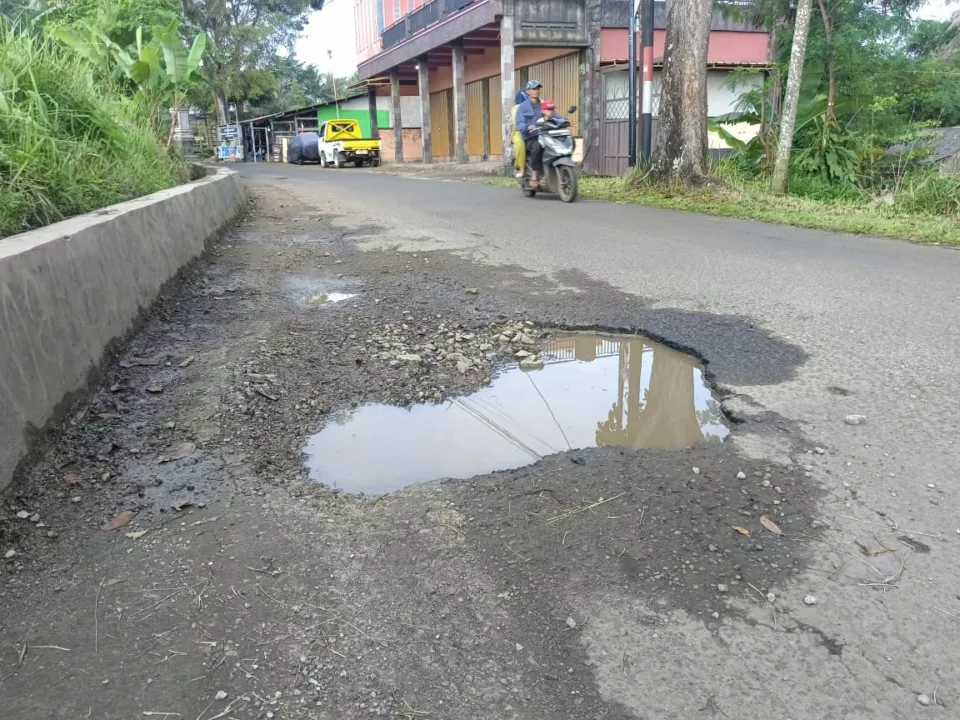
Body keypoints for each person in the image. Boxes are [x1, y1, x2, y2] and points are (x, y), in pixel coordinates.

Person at [512, 80, 541, 178]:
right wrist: (527, 127)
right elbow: (519, 123)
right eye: (533, 89)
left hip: (542, 133)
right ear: (528, 92)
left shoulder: (543, 104)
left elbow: (552, 114)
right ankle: (530, 172)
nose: (536, 91)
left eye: (537, 89)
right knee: (534, 147)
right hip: (529, 135)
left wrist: (564, 121)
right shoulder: (522, 107)